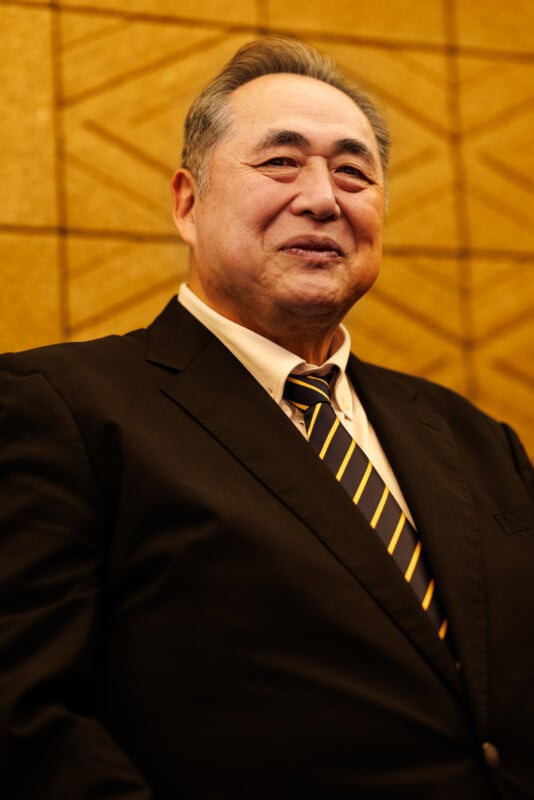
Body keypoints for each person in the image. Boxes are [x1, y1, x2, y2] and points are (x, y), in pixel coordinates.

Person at [1, 36, 533, 800]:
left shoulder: (476, 436)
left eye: (354, 172)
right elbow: (27, 723)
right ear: (188, 203)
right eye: (281, 162)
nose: (323, 197)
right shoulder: (57, 407)